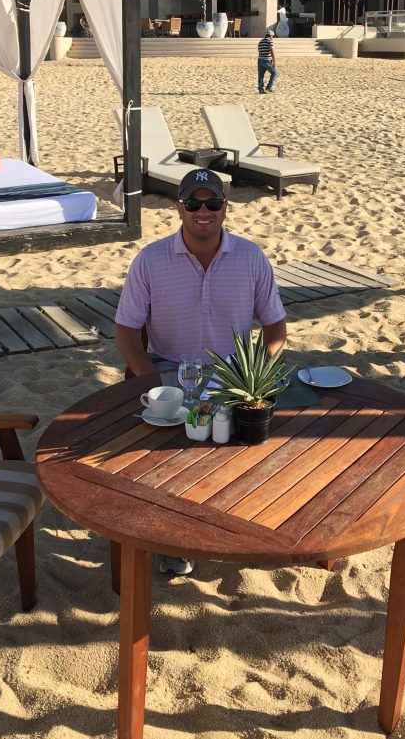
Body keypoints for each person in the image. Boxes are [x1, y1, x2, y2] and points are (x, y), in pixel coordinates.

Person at [115, 168, 287, 576]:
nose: (203, 211)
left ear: (226, 208)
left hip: (233, 374)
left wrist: (257, 375)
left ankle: (235, 525)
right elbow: (125, 330)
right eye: (193, 202)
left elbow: (275, 328)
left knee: (246, 443)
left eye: (212, 203)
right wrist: (148, 381)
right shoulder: (151, 260)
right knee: (169, 456)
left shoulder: (250, 257)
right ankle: (172, 539)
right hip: (167, 369)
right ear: (179, 208)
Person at [257, 29, 277, 94]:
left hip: (260, 60)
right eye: (272, 36)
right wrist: (274, 61)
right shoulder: (270, 42)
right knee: (274, 73)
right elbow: (272, 51)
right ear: (271, 36)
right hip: (267, 60)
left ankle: (261, 89)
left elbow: (259, 50)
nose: (272, 38)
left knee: (261, 75)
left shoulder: (260, 42)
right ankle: (269, 87)